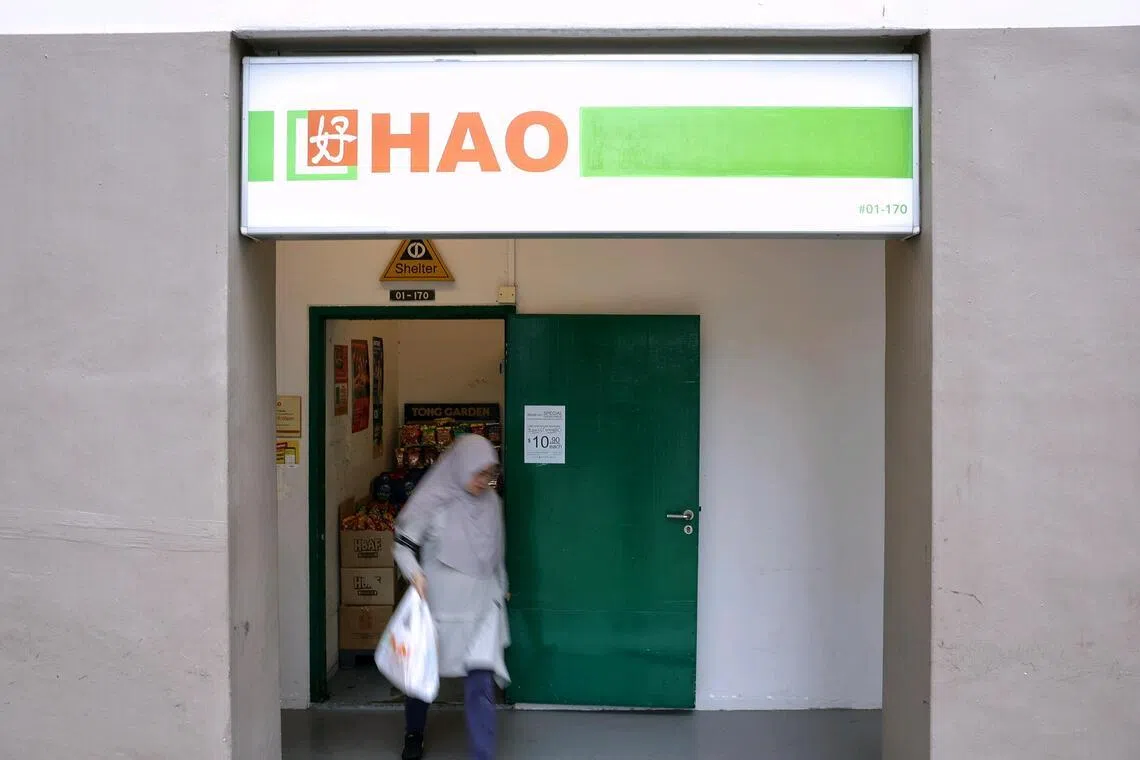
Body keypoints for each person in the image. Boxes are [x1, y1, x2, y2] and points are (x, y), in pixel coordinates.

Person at [393, 434, 510, 760]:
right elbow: (402, 546)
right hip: (439, 609)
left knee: (480, 683)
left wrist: (501, 590)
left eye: (488, 474)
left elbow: (496, 556)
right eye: (477, 472)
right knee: (421, 676)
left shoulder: (492, 504)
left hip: (481, 608)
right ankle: (413, 733)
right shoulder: (433, 501)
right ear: (461, 467)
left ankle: (482, 754)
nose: (482, 481)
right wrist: (415, 575)